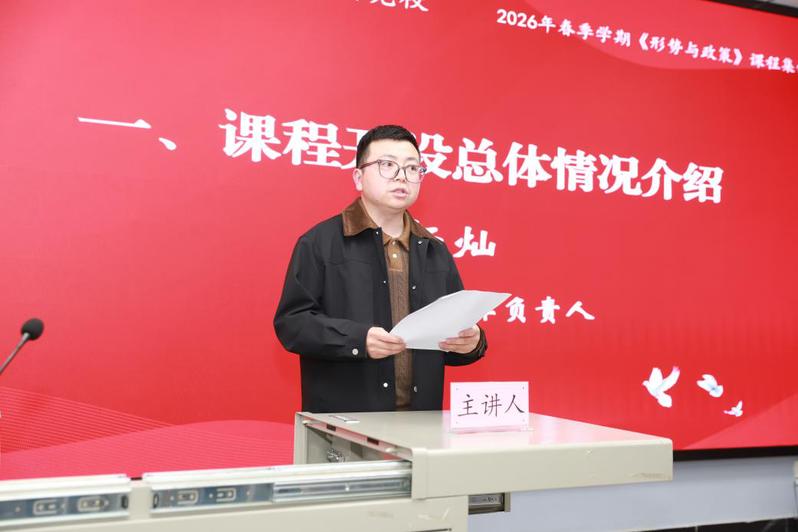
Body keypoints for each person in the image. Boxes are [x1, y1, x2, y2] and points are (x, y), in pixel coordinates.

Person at [274, 124, 487, 413]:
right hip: (345, 422)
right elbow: (293, 324)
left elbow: (449, 337)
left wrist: (472, 343)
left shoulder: (435, 251)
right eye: (387, 165)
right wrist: (357, 340)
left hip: (421, 423)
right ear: (358, 177)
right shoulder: (320, 243)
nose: (402, 176)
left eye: (412, 168)